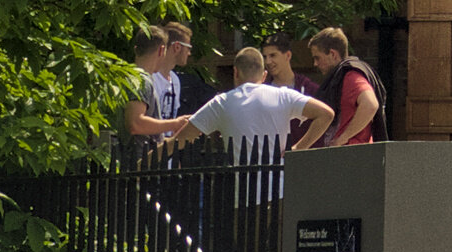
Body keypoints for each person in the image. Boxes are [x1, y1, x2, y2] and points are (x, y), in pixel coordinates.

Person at [187, 46, 333, 157]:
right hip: (278, 189)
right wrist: (297, 149)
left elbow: (181, 138)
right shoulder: (283, 96)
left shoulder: (221, 102)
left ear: (236, 72)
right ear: (264, 76)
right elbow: (326, 114)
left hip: (244, 190)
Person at [304, 26, 387, 147]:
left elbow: (370, 105)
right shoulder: (343, 76)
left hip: (352, 153)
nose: (315, 63)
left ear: (333, 54)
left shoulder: (351, 76)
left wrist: (343, 138)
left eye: (317, 57)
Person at [124, 25, 194, 159]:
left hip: (146, 160)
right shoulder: (141, 80)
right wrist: (176, 123)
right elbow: (135, 124)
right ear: (162, 50)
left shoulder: (133, 76)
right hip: (138, 162)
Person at [262, 39, 324, 147]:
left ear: (288, 55)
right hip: (272, 159)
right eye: (265, 57)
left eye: (273, 55)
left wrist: (300, 148)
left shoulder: (311, 90)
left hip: (305, 158)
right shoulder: (261, 92)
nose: (268, 62)